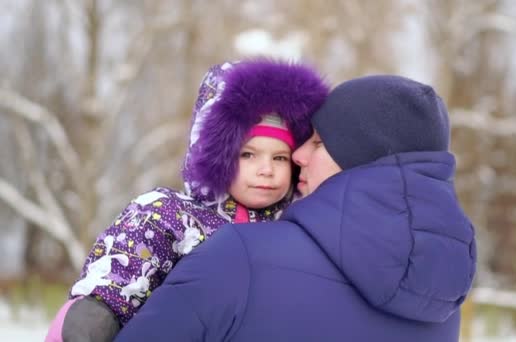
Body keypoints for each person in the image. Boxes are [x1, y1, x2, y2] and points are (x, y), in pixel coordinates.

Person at [114, 74, 477, 341]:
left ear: (359, 155)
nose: (299, 155)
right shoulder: (442, 297)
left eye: (318, 143)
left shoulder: (240, 256)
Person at [45, 58, 329, 342]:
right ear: (218, 156)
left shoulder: (298, 226)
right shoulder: (170, 215)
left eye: (279, 157)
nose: (266, 169)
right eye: (248, 154)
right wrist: (96, 313)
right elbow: (124, 268)